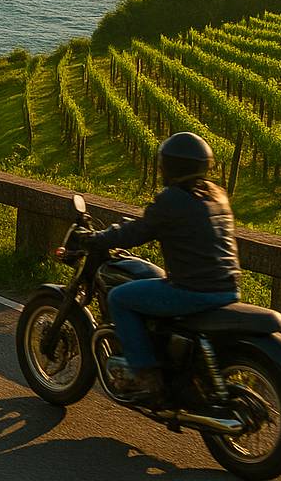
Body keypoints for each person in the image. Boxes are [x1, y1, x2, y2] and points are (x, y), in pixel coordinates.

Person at [79, 132, 241, 401]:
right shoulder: (217, 195)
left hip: (193, 290)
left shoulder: (172, 199)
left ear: (171, 166)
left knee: (119, 297)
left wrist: (97, 238)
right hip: (227, 288)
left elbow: (138, 231)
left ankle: (144, 372)